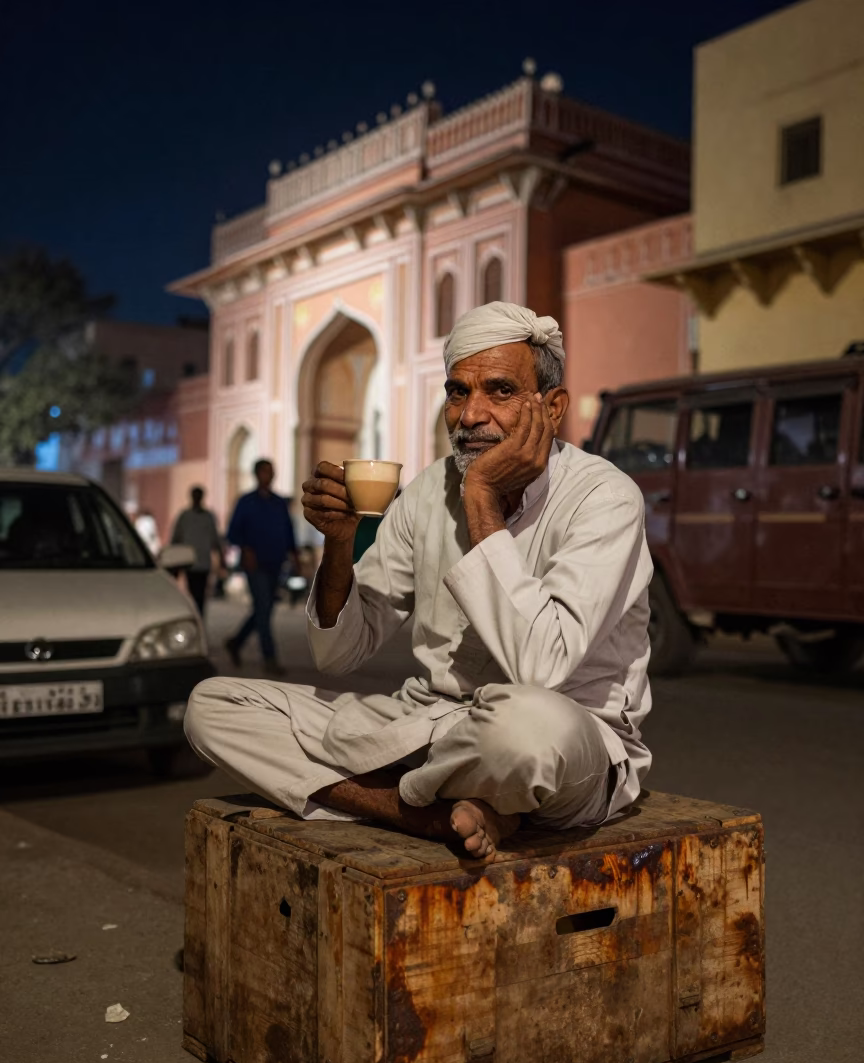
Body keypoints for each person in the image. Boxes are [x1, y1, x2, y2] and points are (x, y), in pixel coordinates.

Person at [185, 302, 653, 862]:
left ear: (551, 409)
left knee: (528, 726)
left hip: (564, 746)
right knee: (213, 705)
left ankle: (430, 790)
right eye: (458, 392)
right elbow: (340, 652)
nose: (471, 414)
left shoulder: (604, 498)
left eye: (500, 392)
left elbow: (542, 668)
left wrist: (481, 499)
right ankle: (426, 815)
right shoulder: (430, 491)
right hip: (429, 726)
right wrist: (339, 544)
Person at [224, 458, 298, 676]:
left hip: (276, 563)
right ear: (257, 474)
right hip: (254, 565)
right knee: (264, 609)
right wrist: (246, 549)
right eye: (265, 472)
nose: (269, 475)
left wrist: (295, 556)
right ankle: (270, 657)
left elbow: (288, 532)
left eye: (271, 472)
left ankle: (236, 642)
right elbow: (233, 532)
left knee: (263, 609)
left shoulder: (278, 503)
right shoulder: (246, 502)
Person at [170, 487, 224, 617]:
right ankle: (195, 616)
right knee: (193, 593)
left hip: (203, 562)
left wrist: (222, 559)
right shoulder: (185, 516)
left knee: (200, 595)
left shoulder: (208, 517)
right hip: (189, 562)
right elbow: (176, 538)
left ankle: (199, 617)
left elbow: (215, 540)